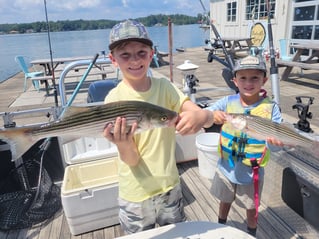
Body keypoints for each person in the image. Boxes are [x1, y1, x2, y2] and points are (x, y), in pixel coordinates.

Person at [103, 19, 214, 234]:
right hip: (135, 193)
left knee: (176, 234)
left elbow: (192, 110)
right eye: (125, 54)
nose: (134, 60)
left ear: (152, 54)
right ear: (113, 59)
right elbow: (131, 159)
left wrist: (201, 115)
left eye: (141, 53)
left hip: (169, 186)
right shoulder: (114, 100)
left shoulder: (165, 87)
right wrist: (123, 144)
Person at [206, 55, 283, 237]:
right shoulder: (227, 102)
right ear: (235, 81)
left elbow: (277, 142)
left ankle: (251, 232)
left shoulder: (271, 108)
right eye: (243, 78)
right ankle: (220, 225)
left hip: (251, 173)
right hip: (225, 168)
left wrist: (275, 144)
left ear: (264, 80)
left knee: (251, 207)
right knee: (224, 199)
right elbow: (207, 113)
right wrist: (212, 115)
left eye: (254, 78)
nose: (248, 83)